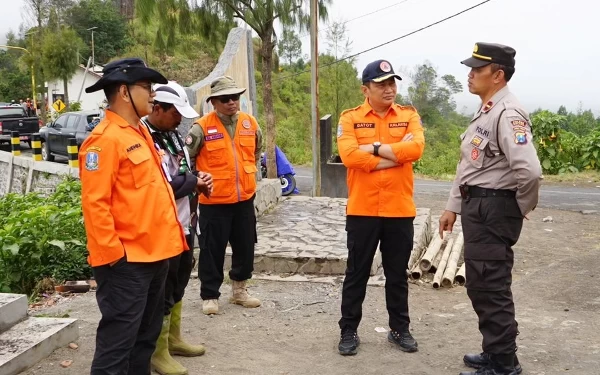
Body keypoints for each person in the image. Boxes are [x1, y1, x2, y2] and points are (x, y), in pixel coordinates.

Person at [79, 58, 188, 375]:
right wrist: (114, 258)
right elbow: (95, 204)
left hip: (155, 256)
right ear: (124, 92)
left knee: (144, 342)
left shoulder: (139, 132)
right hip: (127, 264)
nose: (153, 94)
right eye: (147, 87)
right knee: (117, 347)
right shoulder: (105, 140)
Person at [439, 43, 542, 375]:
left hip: (493, 209)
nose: (469, 74)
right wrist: (452, 207)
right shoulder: (487, 110)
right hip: (478, 205)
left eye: (477, 70)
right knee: (481, 283)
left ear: (497, 75)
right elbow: (469, 165)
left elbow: (530, 171)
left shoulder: (508, 113)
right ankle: (495, 351)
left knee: (490, 284)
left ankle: (503, 364)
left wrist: (518, 207)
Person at [336, 59, 425, 356]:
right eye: (381, 84)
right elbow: (349, 156)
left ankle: (399, 328)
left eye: (392, 83)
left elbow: (416, 149)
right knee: (356, 273)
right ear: (366, 89)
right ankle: (348, 330)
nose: (389, 89)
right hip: (362, 209)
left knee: (397, 274)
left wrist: (371, 149)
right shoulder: (349, 118)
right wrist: (394, 156)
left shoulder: (409, 115)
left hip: (399, 209)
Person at [140, 81, 213, 375]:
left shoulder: (173, 136)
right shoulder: (146, 138)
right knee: (164, 288)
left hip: (185, 222)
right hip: (161, 225)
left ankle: (173, 338)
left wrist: (198, 179)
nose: (180, 119)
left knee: (181, 279)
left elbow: (182, 172)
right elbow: (160, 186)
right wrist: (192, 182)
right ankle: (157, 352)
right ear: (157, 108)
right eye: (174, 113)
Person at [186, 76, 263, 315]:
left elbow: (256, 152)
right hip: (213, 202)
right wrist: (197, 181)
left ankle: (240, 290)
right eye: (225, 99)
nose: (231, 102)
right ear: (214, 102)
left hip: (244, 200)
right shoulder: (200, 128)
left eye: (235, 97)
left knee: (245, 247)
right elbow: (186, 161)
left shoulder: (251, 124)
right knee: (211, 250)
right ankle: (210, 295)